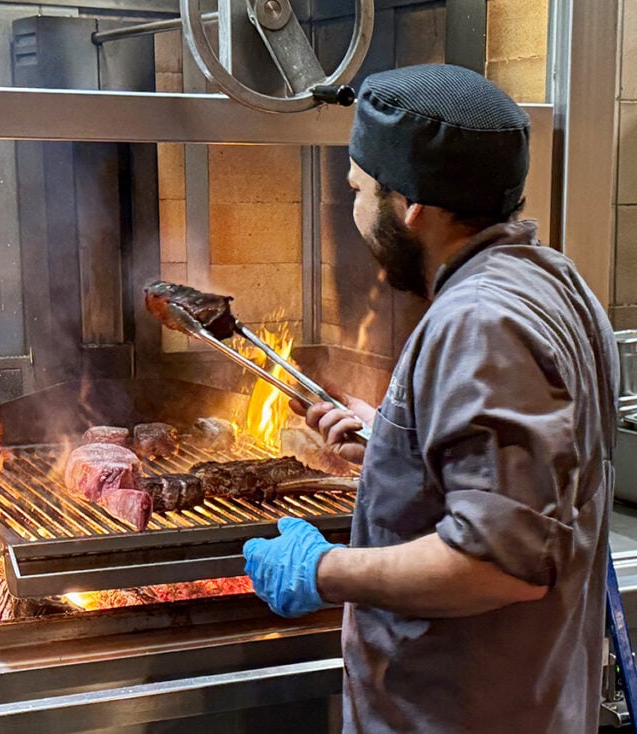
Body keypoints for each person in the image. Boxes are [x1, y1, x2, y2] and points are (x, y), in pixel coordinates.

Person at [242, 64, 620, 732]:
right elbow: (529, 486)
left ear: (411, 204)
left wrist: (323, 570)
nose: (356, 212)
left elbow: (500, 565)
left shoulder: (479, 322)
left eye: (359, 189)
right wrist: (393, 440)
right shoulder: (554, 283)